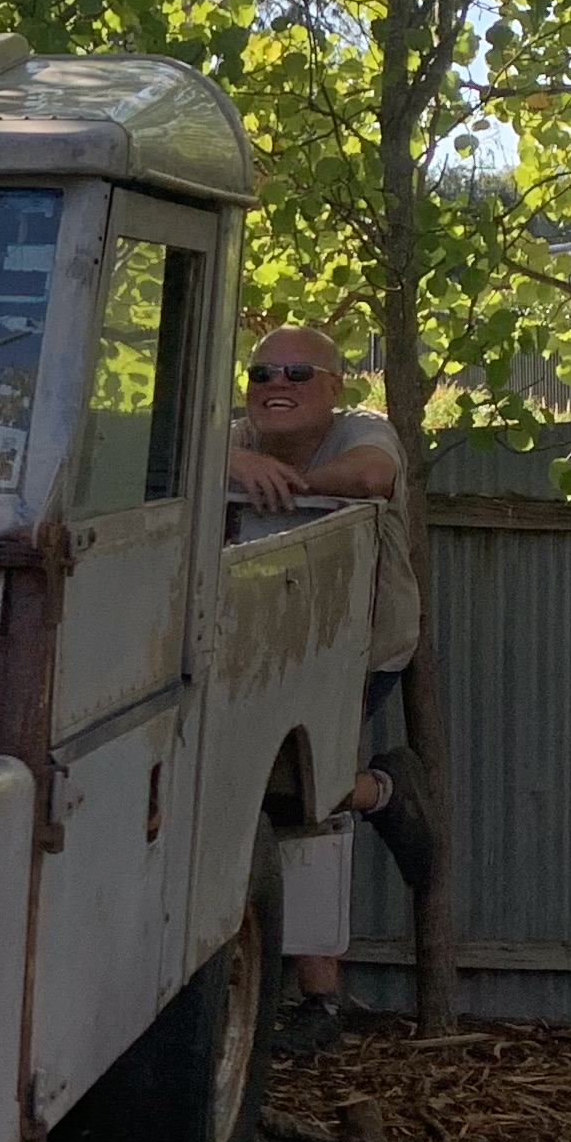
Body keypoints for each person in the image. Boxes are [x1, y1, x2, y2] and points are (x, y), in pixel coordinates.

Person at [226, 322, 434, 1053]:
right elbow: (166, 463)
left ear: (335, 387)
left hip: (360, 649)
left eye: (296, 374)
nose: (276, 387)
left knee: (297, 800)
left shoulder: (362, 431)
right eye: (261, 375)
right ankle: (378, 790)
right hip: (255, 653)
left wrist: (286, 483)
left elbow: (374, 477)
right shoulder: (229, 436)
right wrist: (236, 459)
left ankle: (321, 1004)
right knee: (267, 796)